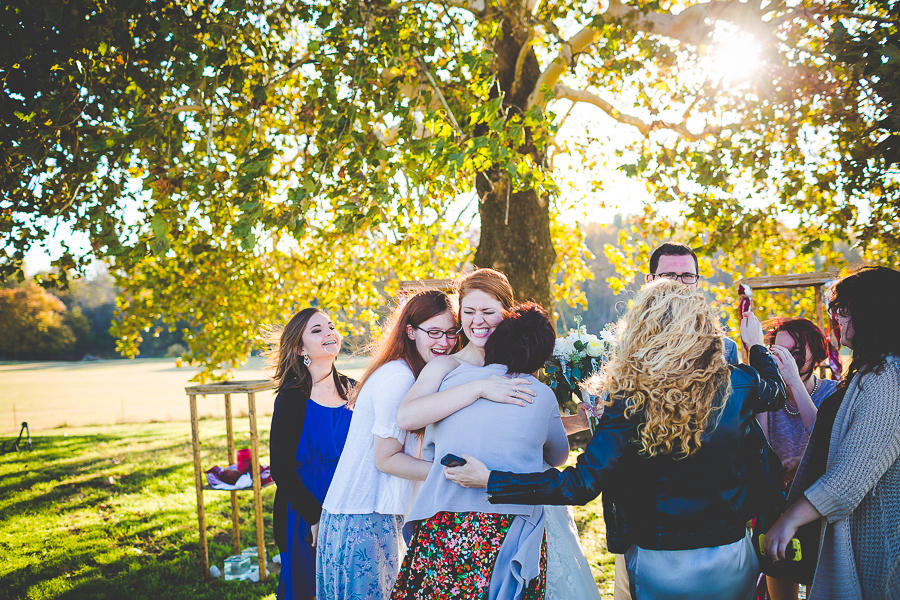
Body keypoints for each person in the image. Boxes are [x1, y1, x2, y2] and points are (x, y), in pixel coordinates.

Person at [447, 280, 787, 600]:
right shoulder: (741, 384)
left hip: (658, 561)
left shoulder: (629, 397)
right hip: (730, 554)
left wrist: (491, 480)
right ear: (702, 328)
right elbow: (776, 391)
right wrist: (756, 345)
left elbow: (579, 486)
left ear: (642, 330)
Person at [396, 268, 601, 600]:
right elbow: (407, 416)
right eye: (469, 311)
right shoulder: (446, 368)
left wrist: (576, 421)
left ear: (507, 313)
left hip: (513, 506)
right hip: (455, 507)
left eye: (488, 312)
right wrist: (479, 387)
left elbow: (532, 431)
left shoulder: (524, 368)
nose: (478, 321)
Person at [764, 266, 900, 600]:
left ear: (872, 312)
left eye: (843, 309)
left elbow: (851, 476)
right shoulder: (868, 371)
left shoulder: (886, 377)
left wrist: (788, 520)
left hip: (874, 545)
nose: (836, 318)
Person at [315, 290, 458, 600]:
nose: (444, 342)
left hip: (368, 516)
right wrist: (451, 474)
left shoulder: (414, 373)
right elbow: (387, 459)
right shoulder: (399, 378)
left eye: (451, 333)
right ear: (410, 331)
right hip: (365, 518)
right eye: (434, 332)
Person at [268, 308, 354, 600]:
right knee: (310, 590)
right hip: (306, 509)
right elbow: (280, 469)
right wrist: (315, 517)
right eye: (317, 330)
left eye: (331, 326)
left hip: (351, 502)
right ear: (299, 347)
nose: (329, 333)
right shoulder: (292, 398)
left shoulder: (353, 389)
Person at [646, 242, 740, 365]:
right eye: (669, 275)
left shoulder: (725, 349)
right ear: (650, 281)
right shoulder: (624, 343)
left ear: (696, 282)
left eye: (687, 275)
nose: (679, 284)